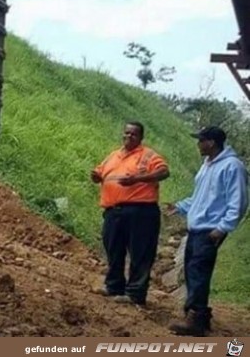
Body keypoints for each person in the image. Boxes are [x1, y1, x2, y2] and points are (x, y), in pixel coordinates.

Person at [166, 126, 248, 337]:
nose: (198, 144)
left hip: (210, 230)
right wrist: (181, 206)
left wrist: (222, 228)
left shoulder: (232, 166)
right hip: (197, 228)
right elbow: (202, 197)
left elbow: (237, 202)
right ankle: (198, 314)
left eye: (201, 140)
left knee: (198, 272)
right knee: (192, 271)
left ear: (211, 142)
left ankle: (196, 319)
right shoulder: (207, 165)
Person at [90, 121, 170, 306]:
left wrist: (137, 179)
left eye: (133, 134)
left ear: (140, 137)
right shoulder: (113, 156)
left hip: (141, 211)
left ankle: (135, 293)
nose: (128, 137)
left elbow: (164, 172)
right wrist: (95, 176)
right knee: (113, 249)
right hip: (113, 211)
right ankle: (114, 286)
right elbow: (100, 171)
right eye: (126, 133)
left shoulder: (148, 155)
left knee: (140, 252)